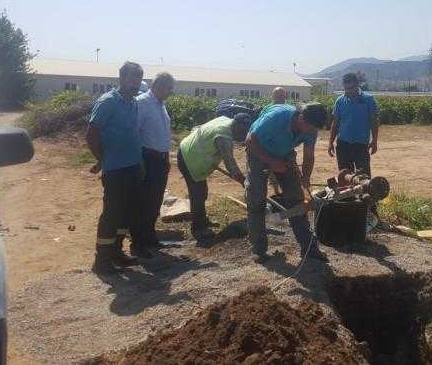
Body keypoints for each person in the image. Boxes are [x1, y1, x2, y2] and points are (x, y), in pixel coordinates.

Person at [244, 103, 329, 264]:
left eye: (314, 129)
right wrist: (272, 162)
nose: (312, 132)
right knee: (256, 199)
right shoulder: (277, 118)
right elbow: (250, 141)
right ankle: (259, 250)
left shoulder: (311, 128)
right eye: (310, 128)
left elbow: (309, 156)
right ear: (301, 118)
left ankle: (309, 249)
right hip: (258, 151)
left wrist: (306, 177)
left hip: (284, 153)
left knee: (296, 200)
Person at [86, 62, 144, 274]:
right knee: (111, 214)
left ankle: (117, 252)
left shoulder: (133, 103)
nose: (135, 83)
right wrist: (103, 160)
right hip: (116, 170)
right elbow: (91, 135)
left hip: (133, 166)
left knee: (126, 212)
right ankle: (101, 260)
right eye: (132, 79)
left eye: (138, 79)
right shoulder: (108, 102)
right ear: (121, 79)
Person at [177, 113, 252, 243]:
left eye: (245, 131)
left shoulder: (225, 120)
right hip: (189, 159)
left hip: (189, 150)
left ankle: (203, 220)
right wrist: (243, 181)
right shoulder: (223, 137)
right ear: (235, 124)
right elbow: (230, 164)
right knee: (197, 194)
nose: (243, 135)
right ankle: (198, 229)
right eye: (241, 131)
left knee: (202, 192)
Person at [134, 72, 175, 256]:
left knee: (155, 201)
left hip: (160, 159)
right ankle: (138, 244)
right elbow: (134, 133)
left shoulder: (160, 105)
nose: (171, 92)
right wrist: (140, 161)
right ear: (158, 86)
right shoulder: (142, 103)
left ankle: (150, 238)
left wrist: (166, 158)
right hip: (148, 158)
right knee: (144, 202)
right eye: (169, 88)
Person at [328, 72, 379, 177]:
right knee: (345, 177)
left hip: (361, 145)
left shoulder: (368, 100)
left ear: (357, 85)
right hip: (343, 145)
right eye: (345, 89)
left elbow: (374, 122)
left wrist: (374, 141)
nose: (347, 91)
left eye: (350, 88)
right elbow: (335, 123)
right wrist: (330, 142)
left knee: (364, 178)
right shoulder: (340, 101)